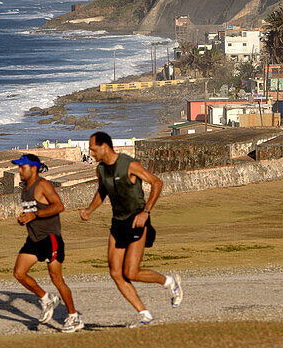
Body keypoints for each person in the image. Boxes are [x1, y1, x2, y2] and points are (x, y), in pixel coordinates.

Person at [80, 131, 181, 328]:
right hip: (117, 223)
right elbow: (102, 192)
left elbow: (157, 183)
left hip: (136, 221)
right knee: (116, 273)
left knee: (131, 272)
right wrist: (89, 210)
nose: (90, 152)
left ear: (105, 147)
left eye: (93, 148)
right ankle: (145, 316)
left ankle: (170, 282)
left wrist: (146, 212)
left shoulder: (129, 164)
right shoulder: (101, 170)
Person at [11, 153, 83, 333]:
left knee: (57, 279)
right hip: (34, 239)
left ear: (33, 168)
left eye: (23, 167)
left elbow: (59, 206)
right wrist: (24, 219)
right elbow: (32, 211)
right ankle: (46, 298)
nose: (19, 170)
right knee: (19, 273)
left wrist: (35, 215)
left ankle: (74, 317)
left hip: (50, 238)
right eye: (19, 167)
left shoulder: (42, 185)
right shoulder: (25, 188)